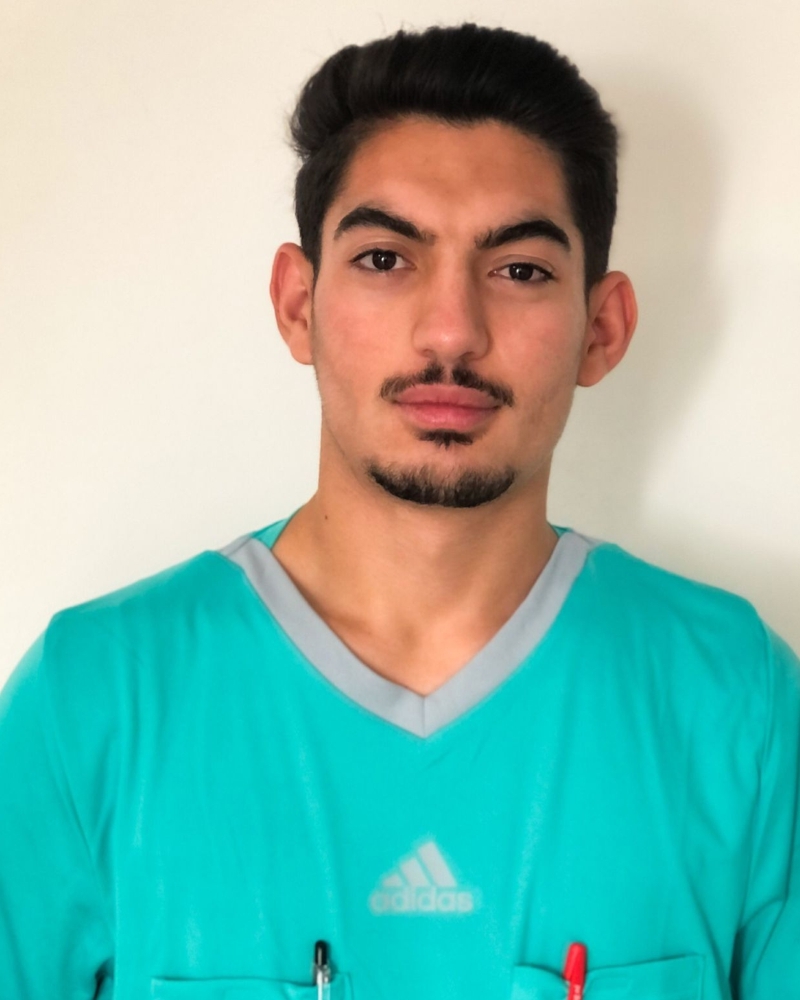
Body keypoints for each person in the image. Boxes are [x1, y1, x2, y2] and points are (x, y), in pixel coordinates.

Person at [0, 22, 797, 1000]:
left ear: (601, 327)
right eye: (385, 258)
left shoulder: (738, 703)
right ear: (297, 303)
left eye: (519, 269)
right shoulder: (91, 700)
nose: (451, 330)